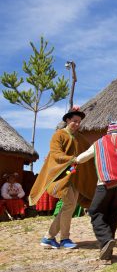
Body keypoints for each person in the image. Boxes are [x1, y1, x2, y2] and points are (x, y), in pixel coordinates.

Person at [29, 106, 97, 249]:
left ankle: (48, 237)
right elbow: (56, 154)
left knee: (69, 206)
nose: (77, 124)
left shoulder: (80, 138)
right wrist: (72, 159)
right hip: (62, 176)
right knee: (69, 205)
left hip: (75, 177)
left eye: (79, 122)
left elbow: (90, 151)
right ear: (67, 120)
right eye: (74, 121)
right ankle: (64, 239)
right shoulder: (58, 135)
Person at [75, 122, 117, 260]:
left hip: (105, 184)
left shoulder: (99, 143)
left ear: (108, 132)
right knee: (113, 216)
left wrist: (75, 161)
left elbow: (83, 157)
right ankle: (107, 251)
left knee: (95, 211)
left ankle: (106, 240)